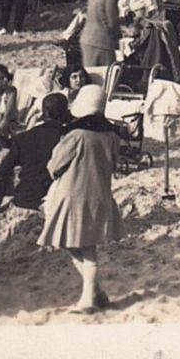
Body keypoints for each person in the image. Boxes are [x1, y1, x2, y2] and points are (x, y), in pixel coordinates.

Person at [38, 84, 123, 314]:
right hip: (100, 195)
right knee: (87, 246)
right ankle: (97, 292)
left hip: (72, 196)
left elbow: (54, 166)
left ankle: (88, 299)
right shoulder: (111, 137)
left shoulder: (75, 136)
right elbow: (114, 165)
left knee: (75, 246)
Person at [0, 92, 69, 212]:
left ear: (44, 112)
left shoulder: (24, 138)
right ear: (66, 113)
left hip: (26, 198)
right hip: (56, 199)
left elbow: (2, 171)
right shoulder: (68, 137)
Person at [80, 0, 128, 78]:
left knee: (90, 76)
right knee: (106, 78)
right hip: (102, 41)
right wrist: (121, 34)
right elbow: (112, 21)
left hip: (87, 38)